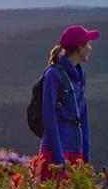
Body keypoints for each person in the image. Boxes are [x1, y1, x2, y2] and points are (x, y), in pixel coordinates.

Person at [37, 25, 96, 180]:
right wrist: (59, 159)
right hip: (53, 154)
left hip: (77, 152)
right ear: (79, 47)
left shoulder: (80, 75)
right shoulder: (53, 75)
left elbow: (83, 118)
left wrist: (86, 158)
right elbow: (49, 118)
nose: (90, 48)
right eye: (88, 44)